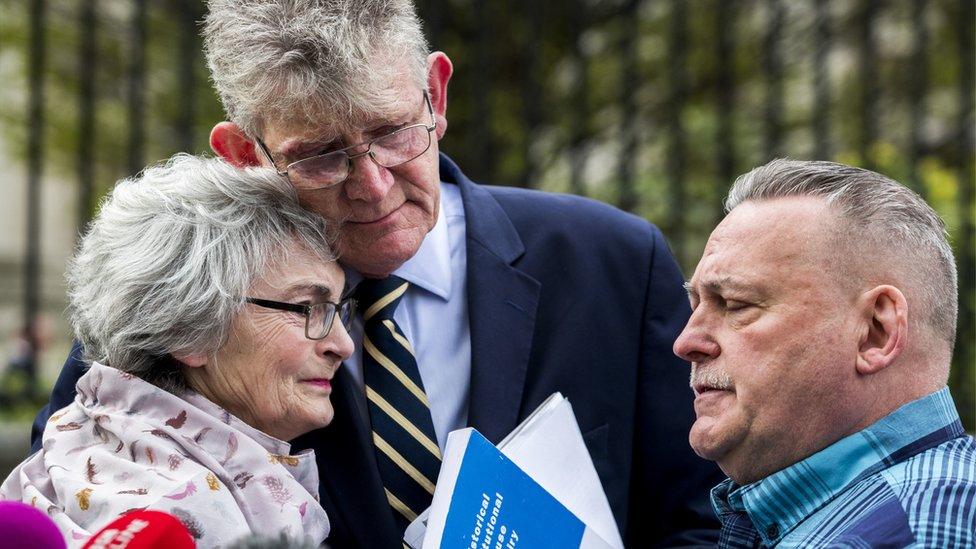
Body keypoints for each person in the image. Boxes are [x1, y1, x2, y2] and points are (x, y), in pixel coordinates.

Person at [33, 2, 722, 546]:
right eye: (322, 155)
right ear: (243, 152)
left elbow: (704, 522)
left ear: (436, 92)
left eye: (393, 131)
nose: (372, 185)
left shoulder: (612, 263)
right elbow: (71, 505)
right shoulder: (177, 295)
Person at [7, 156, 355, 547]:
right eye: (308, 309)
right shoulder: (179, 512)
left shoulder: (95, 444)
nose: (343, 345)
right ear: (188, 329)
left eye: (338, 311)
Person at [675, 159, 976, 548]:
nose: (686, 342)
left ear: (874, 332)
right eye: (695, 303)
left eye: (734, 304)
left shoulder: (909, 534)